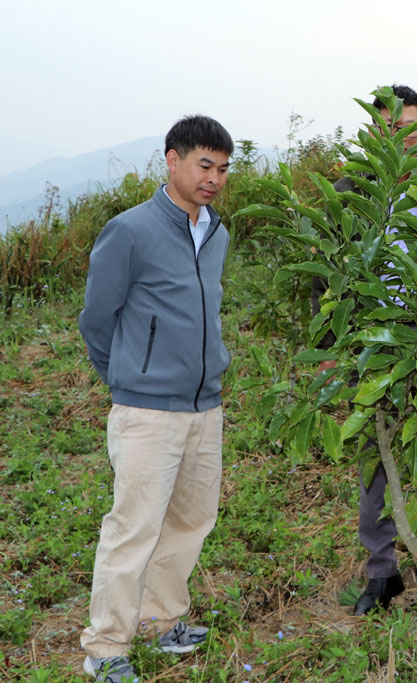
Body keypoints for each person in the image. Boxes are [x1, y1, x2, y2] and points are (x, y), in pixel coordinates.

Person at [311, 85, 417, 616]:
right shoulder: (348, 192)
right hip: (369, 351)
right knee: (376, 462)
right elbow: (326, 281)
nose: (401, 139)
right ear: (374, 134)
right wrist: (328, 349)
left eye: (410, 129)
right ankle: (381, 574)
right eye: (389, 129)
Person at [78, 115, 233, 682]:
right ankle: (105, 647)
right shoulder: (131, 230)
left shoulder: (217, 232)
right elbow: (97, 319)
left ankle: (165, 620)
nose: (213, 178)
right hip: (146, 409)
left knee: (191, 520)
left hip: (205, 406)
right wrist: (128, 378)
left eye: (222, 168)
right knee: (133, 526)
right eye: (203, 165)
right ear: (172, 161)